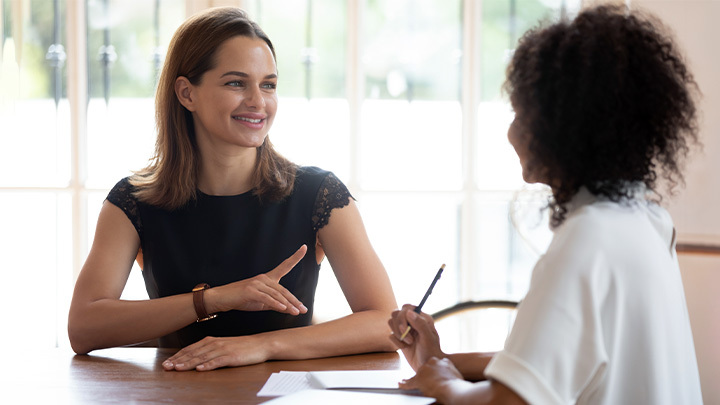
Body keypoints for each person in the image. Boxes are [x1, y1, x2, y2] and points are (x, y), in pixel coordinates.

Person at [388, 4, 703, 404]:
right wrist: (440, 359)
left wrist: (444, 383)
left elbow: (509, 401)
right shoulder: (649, 221)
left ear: (564, 128)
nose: (511, 131)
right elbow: (551, 360)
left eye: (521, 112)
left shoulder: (587, 240)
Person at [68, 7, 397, 371]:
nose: (258, 102)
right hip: (176, 393)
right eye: (236, 83)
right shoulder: (134, 201)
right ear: (186, 93)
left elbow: (386, 323)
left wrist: (262, 345)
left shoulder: (319, 194)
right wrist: (214, 300)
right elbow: (83, 329)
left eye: (268, 84)